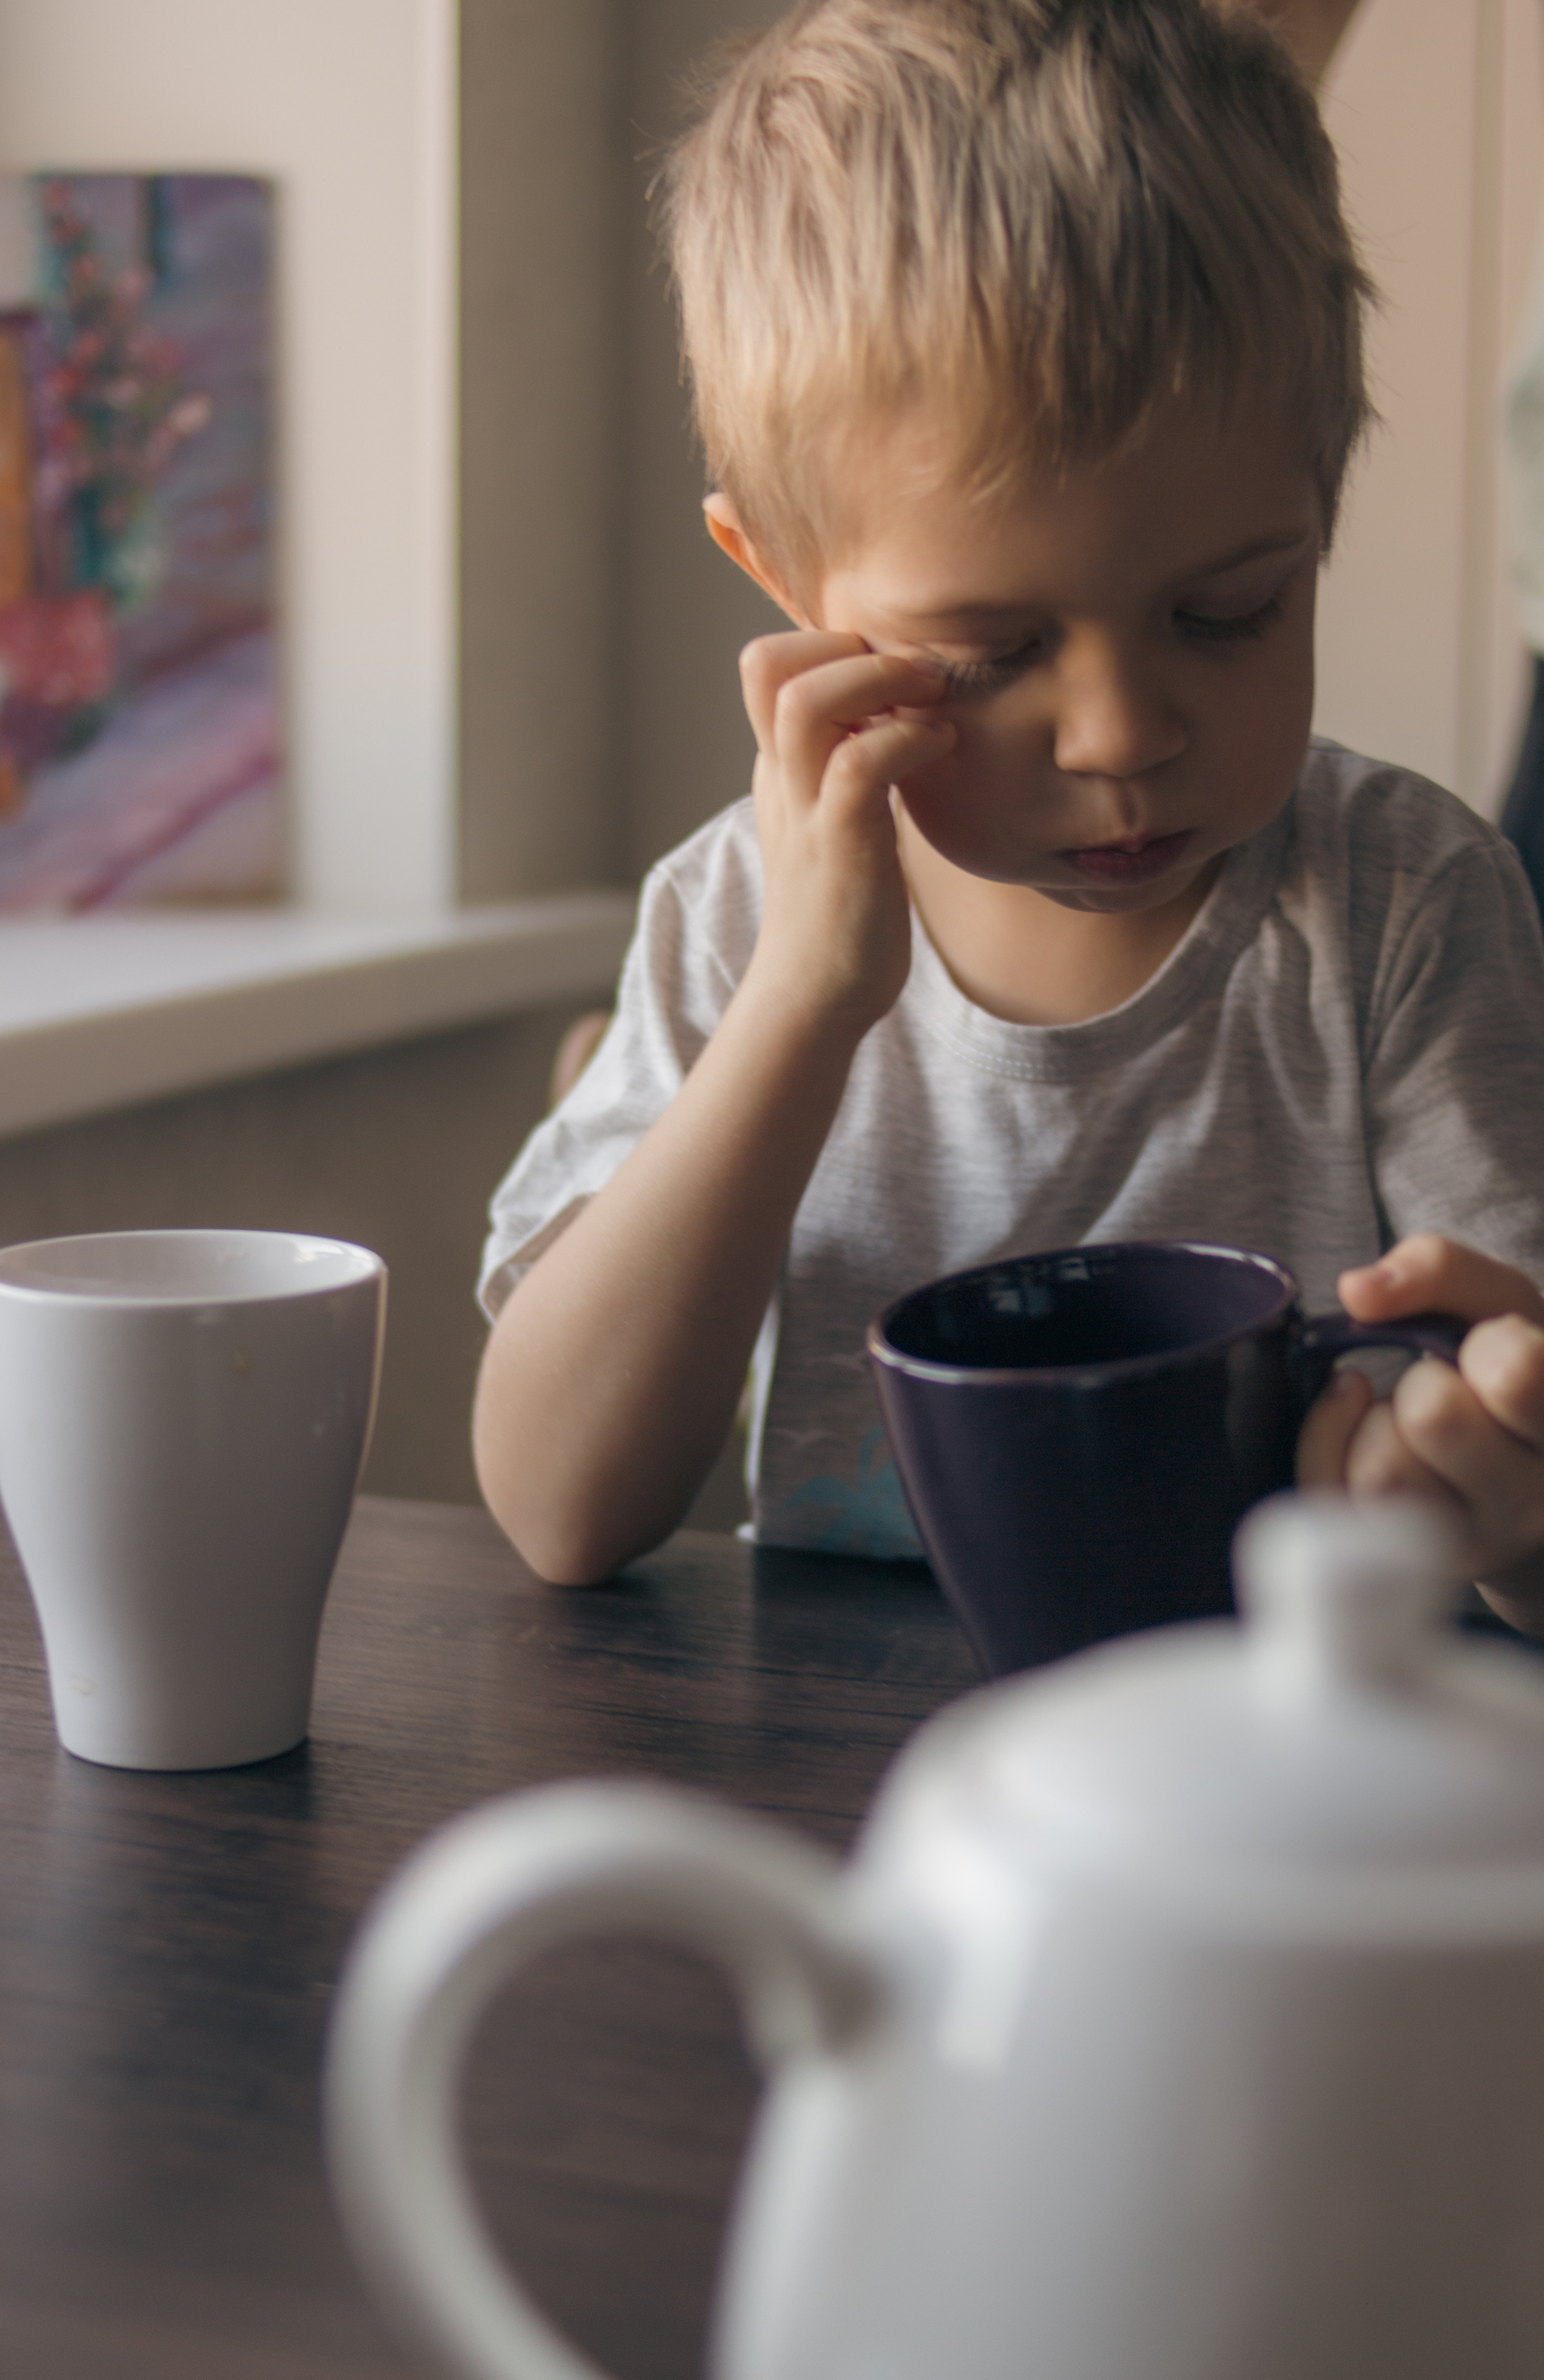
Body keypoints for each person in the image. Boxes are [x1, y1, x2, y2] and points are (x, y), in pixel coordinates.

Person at [474, 0, 1544, 1636]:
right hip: (855, 1797)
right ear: (779, 577)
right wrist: (801, 1010)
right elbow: (560, 1510)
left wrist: (1501, 1507)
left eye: (1233, 610)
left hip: (1289, 1778)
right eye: (991, 653)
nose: (1123, 734)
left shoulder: (1403, 907)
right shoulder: (733, 923)